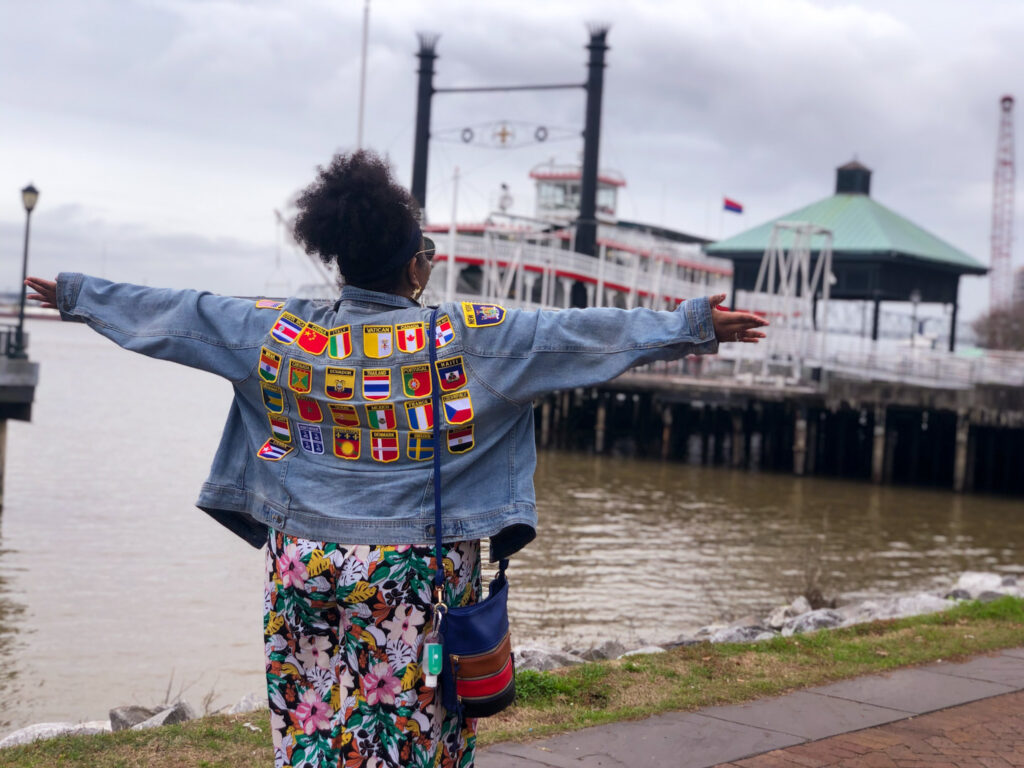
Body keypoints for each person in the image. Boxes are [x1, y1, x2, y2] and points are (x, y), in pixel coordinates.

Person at [26, 150, 767, 768]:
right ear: (416, 267)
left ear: (339, 258)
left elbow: (183, 315)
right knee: (408, 735)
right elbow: (580, 336)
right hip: (413, 573)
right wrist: (691, 325)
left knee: (310, 725)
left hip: (302, 564)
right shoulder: (469, 336)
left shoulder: (280, 330)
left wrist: (82, 296)